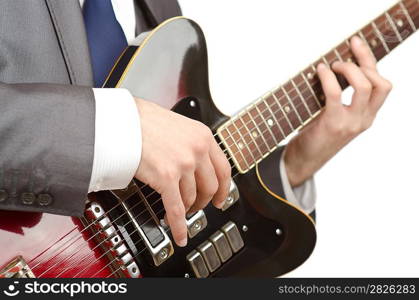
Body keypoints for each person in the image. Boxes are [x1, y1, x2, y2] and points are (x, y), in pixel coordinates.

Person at [0, 0, 392, 248]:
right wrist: (124, 129)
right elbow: (133, 140)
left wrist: (296, 164)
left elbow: (160, 213)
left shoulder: (161, 8)